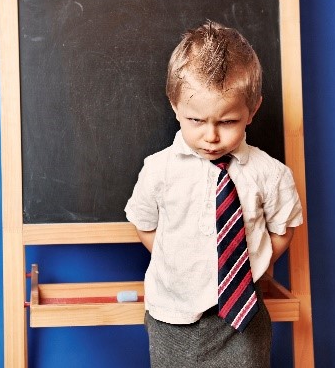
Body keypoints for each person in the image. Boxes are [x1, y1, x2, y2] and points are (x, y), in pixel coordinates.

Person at [125, 21, 303, 367]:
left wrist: (247, 268)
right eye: (196, 120)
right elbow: (145, 223)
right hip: (172, 315)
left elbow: (284, 227)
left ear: (252, 110)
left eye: (227, 122)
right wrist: (175, 258)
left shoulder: (270, 174)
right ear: (174, 105)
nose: (211, 136)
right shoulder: (159, 170)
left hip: (242, 318)